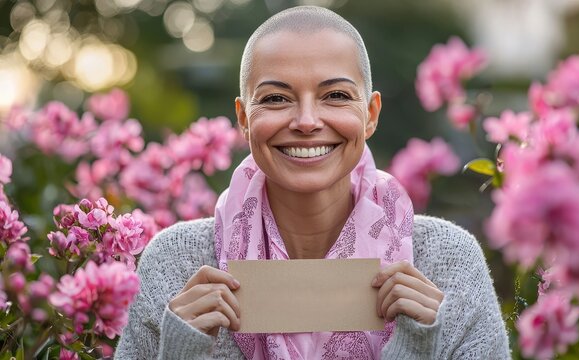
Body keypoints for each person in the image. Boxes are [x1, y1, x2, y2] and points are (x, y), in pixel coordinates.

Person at [115, 6, 510, 360]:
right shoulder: (174, 266)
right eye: (275, 99)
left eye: (335, 95)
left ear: (370, 114)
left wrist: (417, 347)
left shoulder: (447, 264)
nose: (306, 121)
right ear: (243, 118)